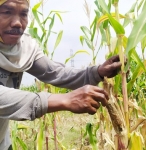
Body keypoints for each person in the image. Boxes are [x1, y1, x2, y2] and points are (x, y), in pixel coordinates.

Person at [0, 0, 122, 150]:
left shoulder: (24, 48)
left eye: (24, 14)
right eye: (7, 12)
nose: (18, 23)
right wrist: (65, 99)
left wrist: (96, 72)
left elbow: (54, 72)